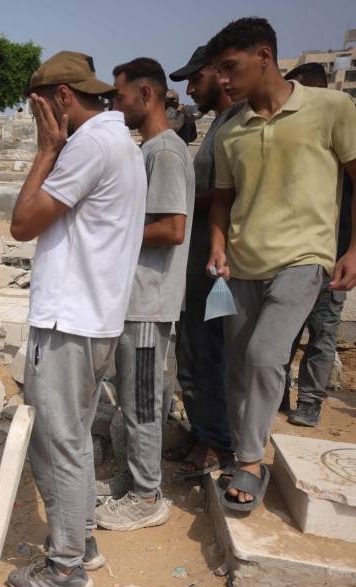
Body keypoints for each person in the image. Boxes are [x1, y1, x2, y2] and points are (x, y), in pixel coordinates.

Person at [4, 51, 146, 587]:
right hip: (96, 317)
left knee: (55, 440)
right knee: (75, 437)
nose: (36, 120)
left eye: (37, 109)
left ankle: (65, 567)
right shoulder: (118, 140)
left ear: (61, 98)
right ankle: (81, 540)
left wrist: (47, 150)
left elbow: (23, 223)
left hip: (69, 319)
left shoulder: (87, 146)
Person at [205, 18, 356, 511]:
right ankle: (240, 451)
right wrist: (217, 245)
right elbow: (223, 200)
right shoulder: (231, 131)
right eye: (218, 70)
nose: (222, 79)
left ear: (264, 56)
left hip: (304, 258)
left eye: (230, 67)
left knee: (265, 354)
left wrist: (353, 250)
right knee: (237, 367)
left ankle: (251, 462)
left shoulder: (332, 108)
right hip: (241, 265)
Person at [94, 58, 194, 531]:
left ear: (147, 95)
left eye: (120, 96)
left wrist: (113, 230)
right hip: (134, 300)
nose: (115, 106)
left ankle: (147, 496)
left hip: (149, 304)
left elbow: (173, 229)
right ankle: (135, 478)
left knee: (143, 402)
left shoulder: (166, 153)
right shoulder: (149, 150)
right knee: (133, 399)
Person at [168, 45, 244, 476]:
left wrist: (178, 203)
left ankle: (219, 443)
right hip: (198, 264)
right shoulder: (219, 122)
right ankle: (202, 431)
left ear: (218, 73)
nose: (191, 90)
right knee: (194, 354)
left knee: (212, 354)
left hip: (219, 267)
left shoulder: (240, 122)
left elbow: (231, 193)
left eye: (196, 79)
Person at [281, 63, 353, 427]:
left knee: (322, 334)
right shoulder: (300, 139)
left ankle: (309, 401)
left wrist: (351, 253)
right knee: (284, 332)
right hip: (292, 256)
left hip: (333, 259)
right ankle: (277, 394)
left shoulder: (343, 133)